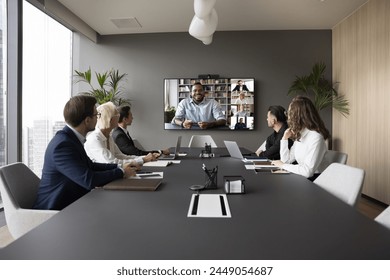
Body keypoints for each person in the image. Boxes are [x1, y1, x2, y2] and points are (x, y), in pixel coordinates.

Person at [34, 96, 137, 211]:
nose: (98, 119)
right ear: (87, 120)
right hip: (57, 210)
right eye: (96, 115)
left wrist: (120, 166)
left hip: (74, 201)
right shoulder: (62, 145)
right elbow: (89, 180)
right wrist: (121, 172)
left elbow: (91, 166)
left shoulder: (71, 139)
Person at [271, 96, 329, 180]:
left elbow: (307, 172)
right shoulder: (301, 136)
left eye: (289, 113)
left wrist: (282, 165)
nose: (288, 117)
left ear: (298, 116)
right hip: (304, 178)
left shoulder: (316, 138)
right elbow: (286, 161)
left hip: (317, 181)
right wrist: (284, 139)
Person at [85, 102, 158, 166]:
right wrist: (143, 160)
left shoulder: (108, 137)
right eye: (117, 115)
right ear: (111, 119)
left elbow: (120, 156)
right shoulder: (94, 139)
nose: (119, 117)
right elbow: (112, 162)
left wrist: (144, 157)